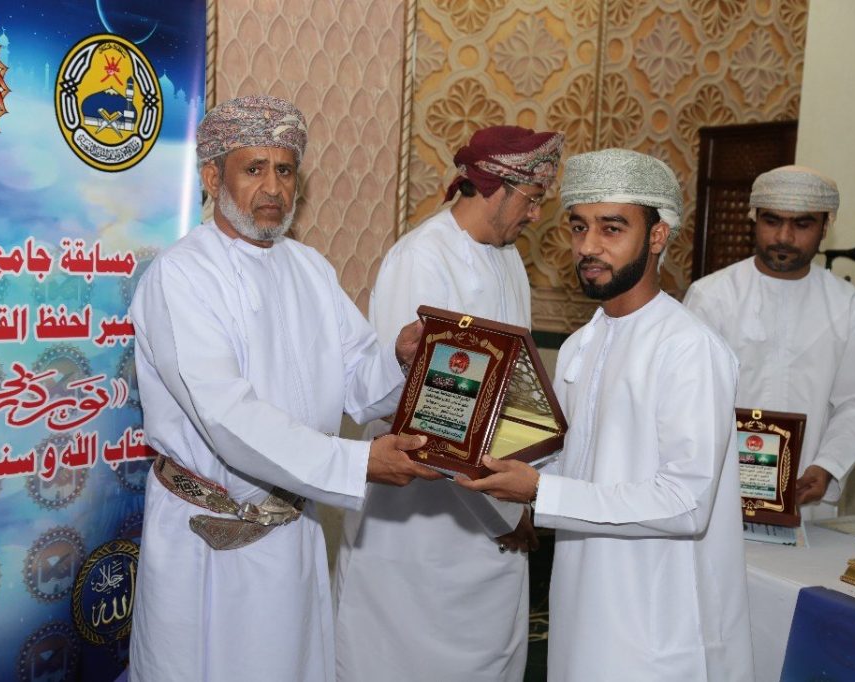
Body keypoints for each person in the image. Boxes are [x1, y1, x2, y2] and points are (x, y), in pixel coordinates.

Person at [127, 95, 441, 682]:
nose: (273, 187)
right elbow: (227, 418)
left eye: (286, 169)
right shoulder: (181, 276)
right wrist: (356, 463)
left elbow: (357, 381)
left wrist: (400, 361)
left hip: (293, 528)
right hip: (206, 541)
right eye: (254, 169)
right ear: (212, 177)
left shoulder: (310, 268)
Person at [459, 148, 755, 681]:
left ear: (658, 236)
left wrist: (540, 491)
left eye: (611, 228)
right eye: (579, 227)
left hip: (657, 625)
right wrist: (483, 453)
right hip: (582, 606)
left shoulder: (689, 348)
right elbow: (572, 464)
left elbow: (686, 503)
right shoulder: (581, 345)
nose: (588, 246)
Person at [332, 126, 564, 682]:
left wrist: (523, 495)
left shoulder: (508, 259)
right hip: (419, 521)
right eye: (532, 199)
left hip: (491, 501)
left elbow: (510, 392)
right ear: (494, 186)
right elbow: (428, 416)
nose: (536, 215)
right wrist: (505, 512)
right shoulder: (422, 258)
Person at [684, 166, 855, 519]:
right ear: (754, 218)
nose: (784, 236)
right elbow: (689, 400)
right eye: (772, 221)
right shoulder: (711, 296)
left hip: (806, 493)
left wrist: (828, 466)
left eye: (802, 224)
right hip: (720, 491)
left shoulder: (848, 306)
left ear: (825, 226)